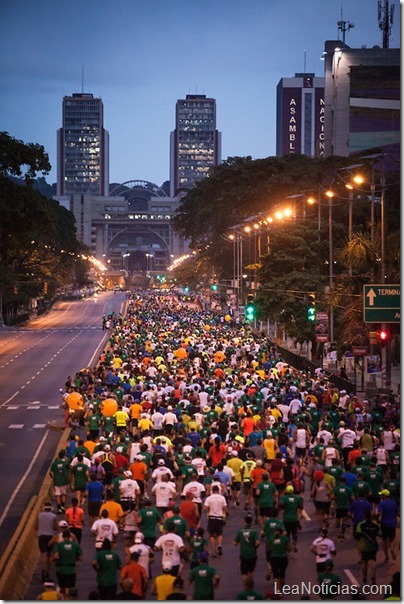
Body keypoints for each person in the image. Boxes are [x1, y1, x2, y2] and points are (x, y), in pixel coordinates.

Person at [52, 529, 83, 598]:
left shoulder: (59, 545)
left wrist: (54, 559)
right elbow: (81, 558)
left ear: (62, 536)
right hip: (71, 570)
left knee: (62, 589)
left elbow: (56, 556)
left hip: (61, 570)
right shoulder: (75, 545)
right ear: (70, 536)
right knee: (70, 588)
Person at [356, 510, 382, 585]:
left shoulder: (360, 524)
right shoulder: (375, 525)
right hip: (373, 545)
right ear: (371, 516)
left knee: (364, 561)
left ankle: (364, 577)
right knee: (373, 561)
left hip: (364, 546)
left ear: (364, 516)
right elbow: (380, 534)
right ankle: (373, 577)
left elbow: (357, 535)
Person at [233, 515, 261, 583]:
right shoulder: (254, 532)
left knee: (244, 572)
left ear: (244, 522)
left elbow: (234, 543)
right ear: (251, 522)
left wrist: (240, 541)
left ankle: (245, 586)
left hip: (244, 554)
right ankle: (251, 585)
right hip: (252, 554)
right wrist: (254, 547)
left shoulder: (240, 532)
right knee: (251, 571)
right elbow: (258, 542)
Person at [203, 484, 228, 558]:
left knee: (212, 534)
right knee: (219, 534)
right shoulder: (222, 498)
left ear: (212, 491)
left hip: (211, 517)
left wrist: (209, 510)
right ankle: (219, 545)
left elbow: (204, 508)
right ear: (218, 490)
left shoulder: (209, 498)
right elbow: (225, 508)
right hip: (219, 517)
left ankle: (214, 551)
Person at [37, 502, 58, 583]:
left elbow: (36, 526)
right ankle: (47, 572)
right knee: (49, 555)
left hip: (41, 536)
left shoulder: (39, 515)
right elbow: (56, 527)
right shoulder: (53, 516)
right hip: (50, 536)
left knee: (43, 554)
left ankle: (43, 571)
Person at [278, 484, 303, 552]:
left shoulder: (284, 498)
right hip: (294, 518)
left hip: (286, 518)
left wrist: (284, 508)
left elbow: (280, 504)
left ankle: (288, 545)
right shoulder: (297, 498)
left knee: (287, 533)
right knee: (294, 532)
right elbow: (300, 506)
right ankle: (294, 543)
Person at [378, 489, 399, 562]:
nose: (381, 496)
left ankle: (386, 557)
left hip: (384, 523)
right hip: (392, 523)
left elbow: (380, 514)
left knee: (384, 540)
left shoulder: (382, 503)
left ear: (384, 496)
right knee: (391, 539)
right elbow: (397, 513)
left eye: (381, 495)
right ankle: (392, 547)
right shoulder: (394, 503)